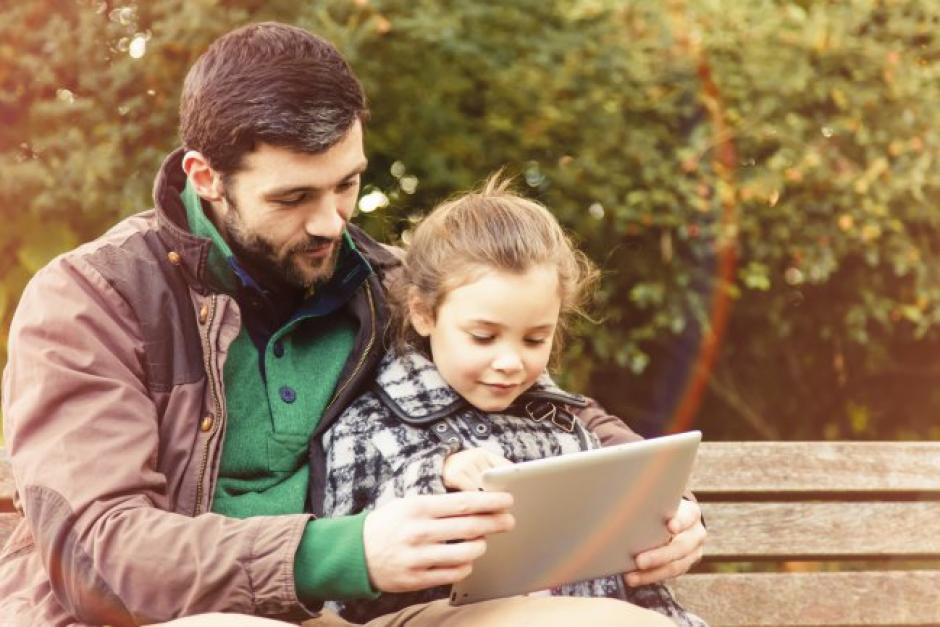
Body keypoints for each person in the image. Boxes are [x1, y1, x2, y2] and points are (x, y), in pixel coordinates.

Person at [0, 22, 704, 625]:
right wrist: (346, 551)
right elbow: (95, 547)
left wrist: (654, 505)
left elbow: (551, 403)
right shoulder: (93, 297)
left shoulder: (395, 284)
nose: (332, 221)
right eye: (294, 196)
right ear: (206, 177)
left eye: (348, 183)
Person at [315, 176, 706, 626]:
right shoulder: (369, 421)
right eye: (483, 337)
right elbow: (350, 574)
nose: (510, 362)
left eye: (536, 338)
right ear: (423, 313)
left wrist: (664, 521)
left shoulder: (561, 420)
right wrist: (435, 475)